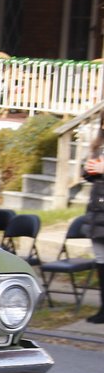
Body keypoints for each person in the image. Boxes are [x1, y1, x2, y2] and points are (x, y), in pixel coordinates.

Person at [81, 129, 104, 323]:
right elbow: (88, 175)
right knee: (101, 261)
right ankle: (103, 309)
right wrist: (88, 169)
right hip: (97, 210)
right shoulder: (98, 147)